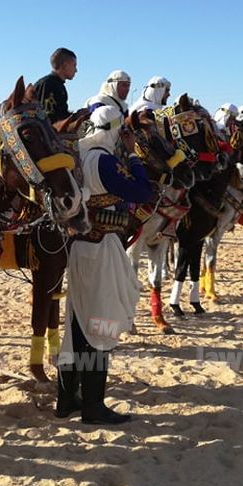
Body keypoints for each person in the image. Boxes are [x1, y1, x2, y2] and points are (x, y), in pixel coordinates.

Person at [56, 105, 153, 425]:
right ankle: (93, 406)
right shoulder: (104, 161)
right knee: (101, 322)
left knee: (77, 323)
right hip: (102, 250)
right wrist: (134, 154)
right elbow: (143, 191)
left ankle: (66, 399)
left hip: (79, 249)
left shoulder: (77, 156)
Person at [34, 47, 78, 122]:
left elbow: (61, 114)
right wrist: (76, 116)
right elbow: (48, 118)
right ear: (65, 65)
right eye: (74, 65)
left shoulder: (58, 85)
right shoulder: (48, 84)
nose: (76, 70)